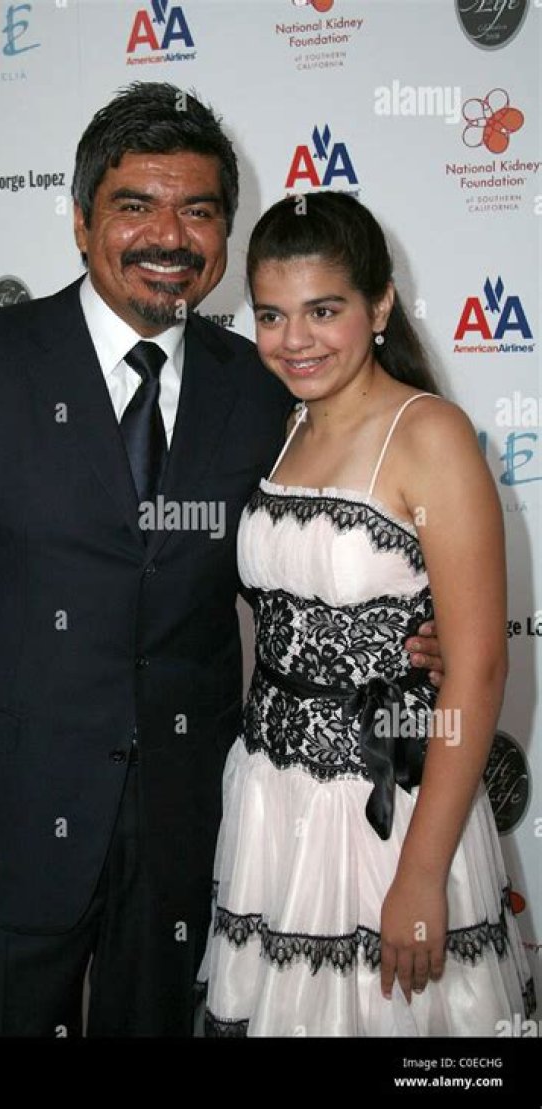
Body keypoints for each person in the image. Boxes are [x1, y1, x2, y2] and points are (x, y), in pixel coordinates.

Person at [0, 85, 442, 1038]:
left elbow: (307, 552)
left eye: (198, 211)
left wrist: (409, 633)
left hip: (195, 816)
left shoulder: (262, 384)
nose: (168, 236)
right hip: (7, 821)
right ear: (81, 219)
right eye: (135, 205)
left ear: (225, 234)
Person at [201, 192, 534, 1037]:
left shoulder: (431, 435)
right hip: (273, 796)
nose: (294, 339)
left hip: (386, 809)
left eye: (324, 310)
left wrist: (421, 873)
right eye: (271, 314)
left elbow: (477, 667)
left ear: (380, 305)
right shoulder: (283, 425)